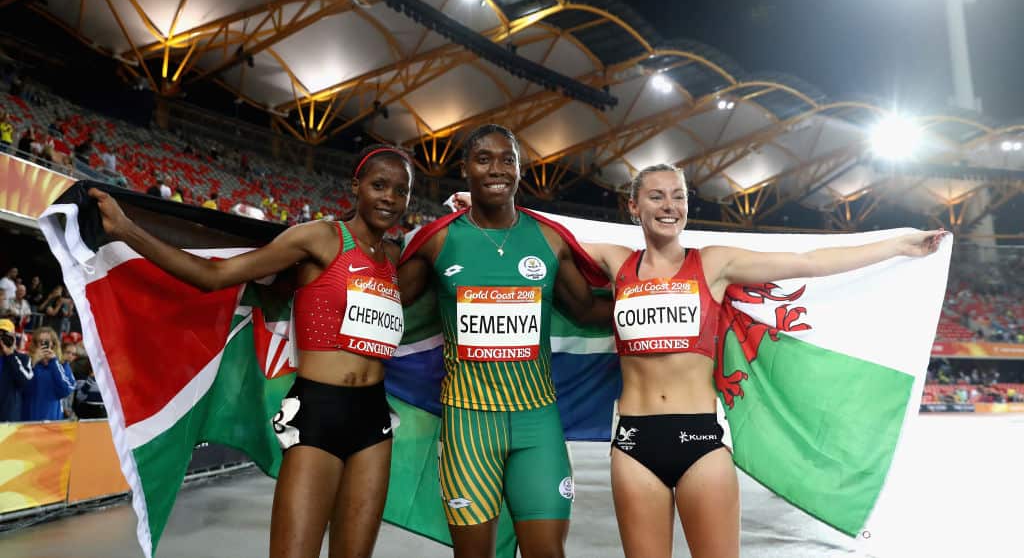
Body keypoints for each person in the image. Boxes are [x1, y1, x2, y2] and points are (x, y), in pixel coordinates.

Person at [580, 164, 947, 558]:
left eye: (679, 196)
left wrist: (897, 246)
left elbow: (808, 261)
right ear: (633, 205)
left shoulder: (713, 264)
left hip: (700, 443)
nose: (670, 206)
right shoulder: (617, 263)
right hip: (634, 443)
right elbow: (538, 243)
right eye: (656, 196)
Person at [90, 144, 414, 558]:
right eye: (380, 185)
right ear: (356, 187)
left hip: (374, 419)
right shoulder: (321, 238)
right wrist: (125, 229)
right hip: (318, 412)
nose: (389, 197)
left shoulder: (396, 260)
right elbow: (215, 276)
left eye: (401, 191)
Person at [398, 125, 606, 558]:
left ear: (519, 169)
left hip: (537, 424)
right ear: (465, 169)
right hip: (468, 427)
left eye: (507, 159)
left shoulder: (548, 240)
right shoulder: (438, 240)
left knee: (547, 552)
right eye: (484, 159)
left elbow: (586, 311)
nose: (497, 169)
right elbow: (390, 304)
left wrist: (655, 304)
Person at [22, 327, 76, 421]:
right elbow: (21, 388)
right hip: (28, 418)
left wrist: (54, 362)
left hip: (53, 420)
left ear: (53, 343)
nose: (43, 344)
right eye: (40, 341)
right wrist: (33, 362)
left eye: (47, 341)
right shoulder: (26, 362)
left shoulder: (62, 364)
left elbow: (66, 391)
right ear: (35, 344)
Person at [0, 318, 33, 421]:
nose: (1, 340)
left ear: (13, 337)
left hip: (8, 417)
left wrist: (10, 355)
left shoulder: (23, 358)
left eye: (5, 335)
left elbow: (25, 382)